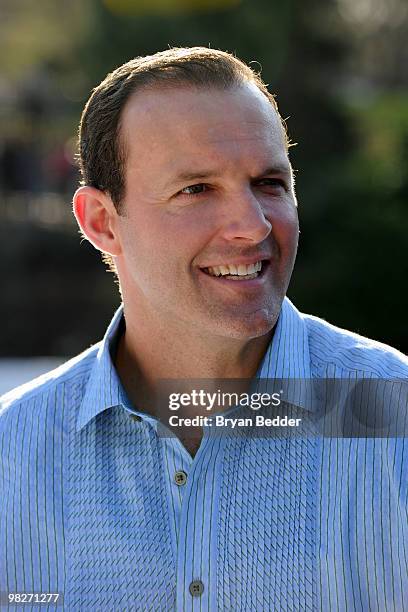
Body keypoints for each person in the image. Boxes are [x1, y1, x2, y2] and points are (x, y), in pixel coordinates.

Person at [1, 47, 407, 611]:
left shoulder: (395, 414)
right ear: (101, 222)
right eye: (196, 189)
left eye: (269, 183)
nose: (252, 225)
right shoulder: (12, 453)